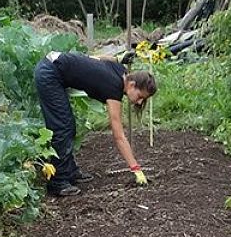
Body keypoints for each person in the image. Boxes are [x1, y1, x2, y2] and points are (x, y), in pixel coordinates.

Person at [34, 50, 157, 197]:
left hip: (54, 63)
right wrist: (135, 168)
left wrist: (117, 58)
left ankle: (70, 172)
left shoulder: (121, 70)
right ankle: (58, 182)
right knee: (62, 128)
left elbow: (95, 58)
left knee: (68, 126)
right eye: (140, 96)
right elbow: (119, 136)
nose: (139, 101)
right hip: (50, 73)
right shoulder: (113, 87)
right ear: (131, 84)